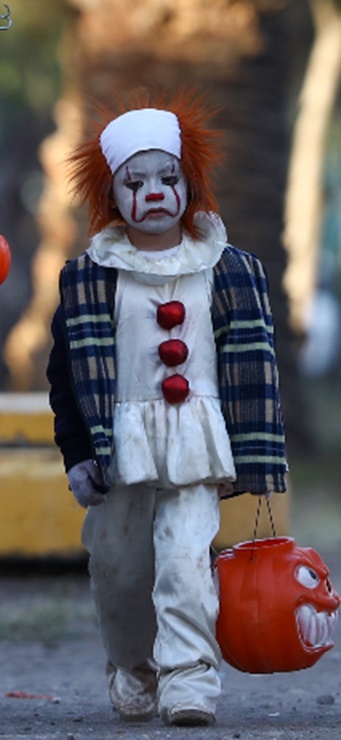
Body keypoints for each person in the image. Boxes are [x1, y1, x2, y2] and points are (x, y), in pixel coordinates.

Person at [46, 91, 288, 726]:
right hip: (118, 444)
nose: (153, 191)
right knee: (120, 572)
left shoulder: (227, 270)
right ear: (111, 194)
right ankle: (134, 666)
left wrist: (251, 449)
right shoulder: (89, 277)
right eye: (135, 181)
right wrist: (76, 456)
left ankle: (190, 680)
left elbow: (252, 364)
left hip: (196, 439)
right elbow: (66, 375)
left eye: (167, 177)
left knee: (186, 563)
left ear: (190, 181)